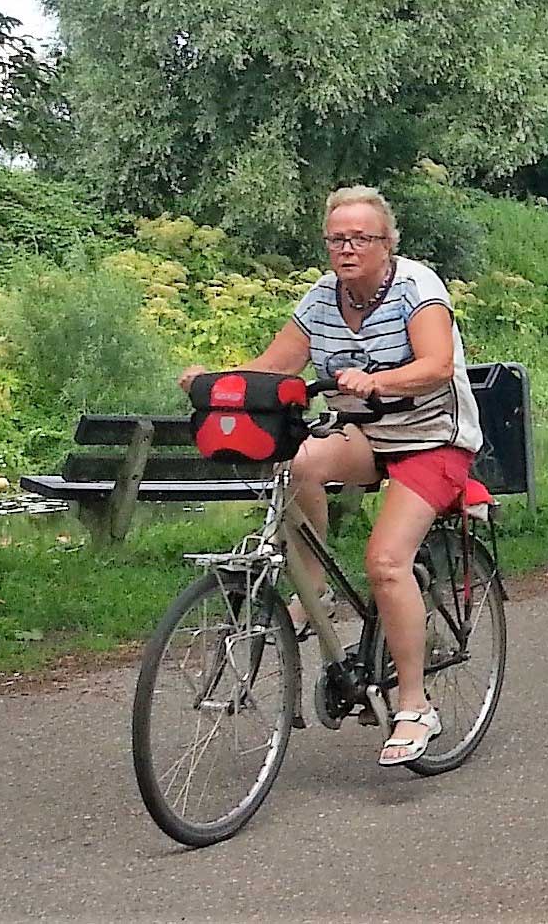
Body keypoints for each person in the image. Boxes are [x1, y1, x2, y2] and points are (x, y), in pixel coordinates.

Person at [182, 185, 479, 767]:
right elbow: (274, 366)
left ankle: (416, 707)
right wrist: (212, 380)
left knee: (386, 562)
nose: (347, 249)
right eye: (337, 239)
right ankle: (312, 588)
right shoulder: (321, 299)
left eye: (361, 238)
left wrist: (379, 382)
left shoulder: (418, 289)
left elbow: (437, 363)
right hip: (366, 437)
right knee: (300, 462)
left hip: (431, 438)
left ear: (388, 243)